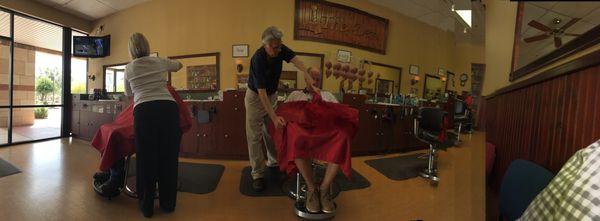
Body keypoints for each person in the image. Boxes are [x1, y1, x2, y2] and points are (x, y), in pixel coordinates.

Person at [245, 26, 319, 192]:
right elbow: (261, 93)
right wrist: (273, 116)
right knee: (254, 135)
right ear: (265, 45)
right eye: (274, 47)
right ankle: (257, 173)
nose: (278, 50)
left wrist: (307, 75)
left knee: (271, 131)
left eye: (280, 46)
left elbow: (297, 61)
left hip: (271, 95)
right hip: (255, 97)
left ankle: (273, 161)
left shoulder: (280, 48)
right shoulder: (258, 59)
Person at [124, 33, 183, 218]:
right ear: (147, 46)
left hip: (144, 112)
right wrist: (168, 64)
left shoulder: (128, 68)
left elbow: (128, 93)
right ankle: (168, 205)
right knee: (168, 159)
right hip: (168, 109)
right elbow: (179, 66)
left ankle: (147, 207)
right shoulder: (158, 61)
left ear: (131, 50)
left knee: (145, 160)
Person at [284, 67, 340, 213]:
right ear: (305, 78)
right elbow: (284, 114)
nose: (316, 80)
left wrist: (322, 102)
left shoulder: (328, 95)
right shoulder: (295, 95)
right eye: (313, 77)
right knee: (296, 137)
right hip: (303, 137)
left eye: (318, 78)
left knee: (342, 138)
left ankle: (324, 189)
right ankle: (311, 189)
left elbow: (340, 116)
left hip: (324, 139)